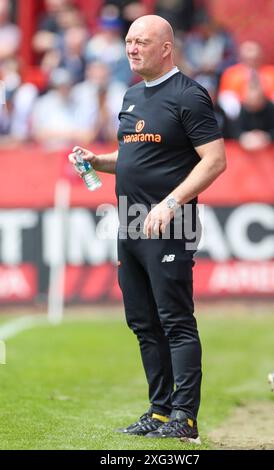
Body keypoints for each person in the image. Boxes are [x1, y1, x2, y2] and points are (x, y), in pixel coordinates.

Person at [68, 14, 226, 442]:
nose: (132, 49)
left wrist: (173, 203)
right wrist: (97, 161)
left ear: (166, 48)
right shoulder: (132, 95)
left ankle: (185, 418)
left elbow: (214, 161)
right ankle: (159, 412)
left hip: (171, 224)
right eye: (129, 41)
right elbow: (134, 156)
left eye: (141, 41)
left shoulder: (189, 95)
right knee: (142, 321)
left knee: (175, 320)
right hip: (130, 224)